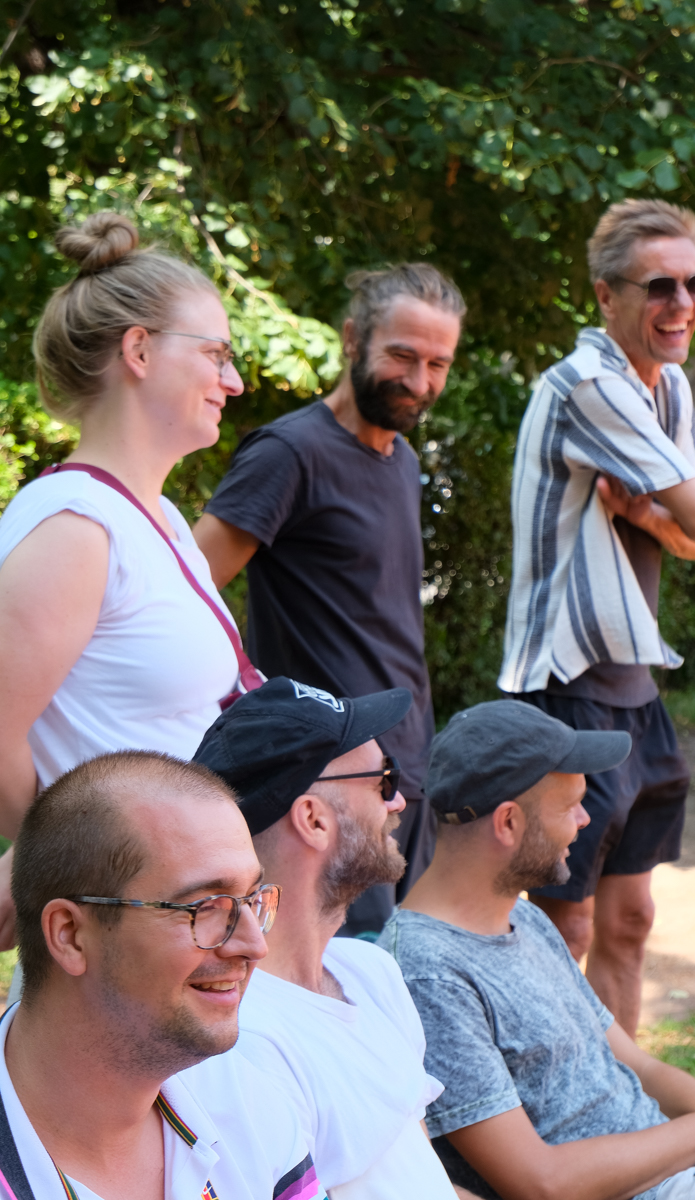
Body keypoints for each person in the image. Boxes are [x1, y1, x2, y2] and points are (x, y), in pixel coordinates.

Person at [379, 700, 695, 1200]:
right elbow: (541, 1183)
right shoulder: (427, 973)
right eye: (569, 806)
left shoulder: (523, 918)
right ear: (508, 823)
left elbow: (639, 1066)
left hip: (675, 1170)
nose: (586, 819)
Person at [498, 198, 695, 1034]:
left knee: (630, 920)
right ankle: (553, 1106)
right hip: (566, 686)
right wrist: (667, 517)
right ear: (605, 296)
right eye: (658, 286)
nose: (682, 303)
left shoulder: (665, 385)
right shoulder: (589, 385)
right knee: (564, 927)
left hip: (634, 683)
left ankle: (619, 1095)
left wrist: (639, 514)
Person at [0, 211, 251, 955]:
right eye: (215, 354)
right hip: (126, 931)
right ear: (138, 350)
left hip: (181, 911)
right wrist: (54, 864)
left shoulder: (159, 517)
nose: (233, 381)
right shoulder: (75, 528)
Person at [194, 264, 465, 936]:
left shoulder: (402, 459)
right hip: (321, 791)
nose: (420, 381)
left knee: (396, 977)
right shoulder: (289, 453)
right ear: (352, 339)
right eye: (402, 355)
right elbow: (185, 592)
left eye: (437, 364)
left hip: (402, 774)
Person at [193, 676, 479, 1200]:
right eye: (384, 780)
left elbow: (420, 1172)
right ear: (313, 820)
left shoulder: (369, 971)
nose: (399, 801)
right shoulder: (245, 1041)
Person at [2, 749, 324, 1200]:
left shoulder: (243, 1102)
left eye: (252, 900)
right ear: (71, 935)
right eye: (203, 907)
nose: (255, 946)